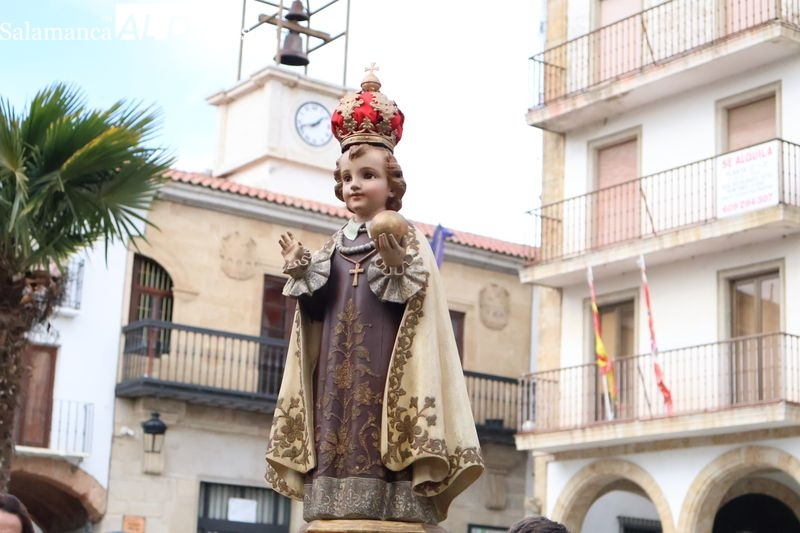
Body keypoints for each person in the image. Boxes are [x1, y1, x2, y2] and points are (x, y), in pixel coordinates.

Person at [265, 69, 483, 525]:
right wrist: (303, 272)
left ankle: (392, 501)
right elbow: (316, 311)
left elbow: (416, 304)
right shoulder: (333, 243)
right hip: (335, 368)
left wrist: (398, 266)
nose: (354, 186)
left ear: (392, 184)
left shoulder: (409, 238)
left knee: (380, 425)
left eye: (367, 175)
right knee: (335, 424)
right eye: (346, 178)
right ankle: (331, 501)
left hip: (387, 369)